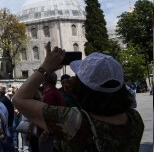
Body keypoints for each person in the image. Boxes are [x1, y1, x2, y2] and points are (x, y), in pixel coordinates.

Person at [12, 42, 145, 151]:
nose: (74, 79)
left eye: (78, 77)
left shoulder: (72, 121)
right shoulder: (135, 119)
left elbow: (19, 99)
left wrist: (45, 67)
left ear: (84, 87)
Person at [38, 72, 65, 151]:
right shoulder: (54, 92)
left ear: (45, 80)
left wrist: (46, 132)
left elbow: (50, 116)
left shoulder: (50, 95)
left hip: (49, 136)